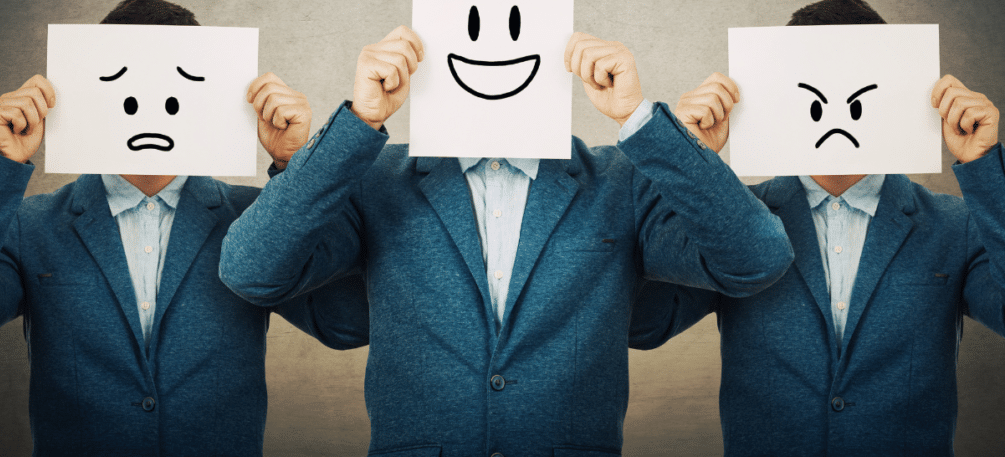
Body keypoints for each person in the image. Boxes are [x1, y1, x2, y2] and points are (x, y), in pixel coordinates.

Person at [219, 24, 794, 456]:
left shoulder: (623, 178)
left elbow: (756, 261)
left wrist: (649, 127)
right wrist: (357, 125)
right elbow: (251, 270)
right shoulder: (373, 177)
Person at [0, 0, 368, 456]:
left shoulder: (253, 220)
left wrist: (294, 168)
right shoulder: (32, 225)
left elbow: (346, 323)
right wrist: (1, 168)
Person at [630, 0, 1005, 456]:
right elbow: (642, 324)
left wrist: (985, 168)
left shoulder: (954, 225)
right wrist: (686, 162)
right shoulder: (738, 223)